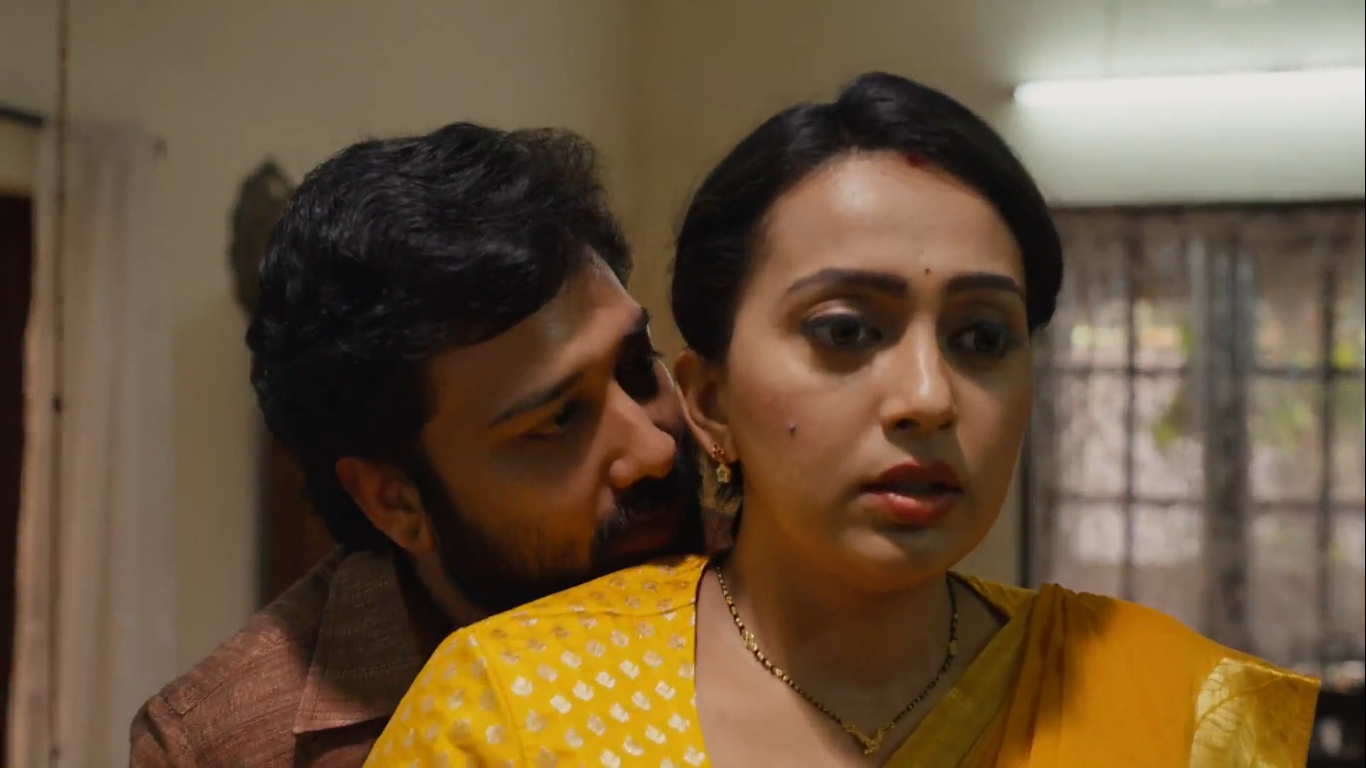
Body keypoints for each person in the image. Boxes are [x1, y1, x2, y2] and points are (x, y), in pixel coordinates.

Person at [364, 72, 1320, 767]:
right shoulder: (512, 711)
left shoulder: (1181, 712)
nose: (929, 396)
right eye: (847, 330)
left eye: (983, 338)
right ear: (708, 400)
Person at [129, 123, 711, 766]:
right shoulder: (226, 748)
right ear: (395, 502)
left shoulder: (769, 565)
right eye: (555, 422)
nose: (654, 450)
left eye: (636, 366)